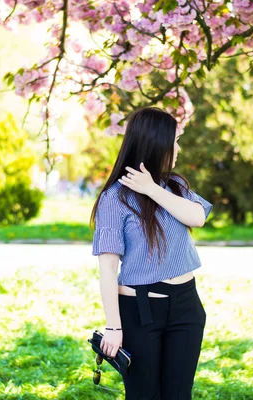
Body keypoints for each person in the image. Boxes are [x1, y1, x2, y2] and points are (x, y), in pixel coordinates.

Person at [89, 107, 213, 399]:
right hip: (140, 311)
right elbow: (107, 270)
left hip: (186, 306)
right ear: (156, 143)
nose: (179, 149)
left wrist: (153, 189)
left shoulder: (174, 186)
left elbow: (198, 217)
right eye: (176, 140)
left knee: (178, 395)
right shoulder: (114, 198)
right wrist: (113, 327)